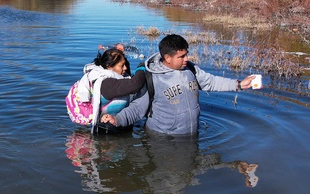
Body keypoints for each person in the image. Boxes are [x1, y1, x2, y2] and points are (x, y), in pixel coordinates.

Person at [101, 34, 258, 135]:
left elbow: (211, 82)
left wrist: (239, 84)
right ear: (168, 58)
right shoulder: (151, 77)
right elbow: (137, 108)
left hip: (192, 135)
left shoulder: (190, 69)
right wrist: (117, 119)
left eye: (186, 54)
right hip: (162, 140)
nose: (187, 59)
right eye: (181, 56)